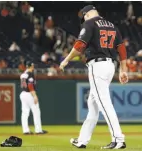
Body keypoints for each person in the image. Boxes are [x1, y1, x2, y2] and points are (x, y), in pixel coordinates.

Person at [60, 5, 128, 149]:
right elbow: (121, 48)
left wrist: (66, 59)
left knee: (104, 103)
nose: (83, 18)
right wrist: (123, 70)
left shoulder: (89, 23)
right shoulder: (112, 26)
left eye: (84, 16)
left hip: (98, 66)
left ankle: (118, 139)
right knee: (93, 105)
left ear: (88, 14)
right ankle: (82, 140)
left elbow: (80, 45)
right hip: (110, 66)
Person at [20, 61, 48, 135]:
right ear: (31, 66)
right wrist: (34, 95)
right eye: (32, 66)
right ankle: (38, 130)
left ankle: (25, 130)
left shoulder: (23, 74)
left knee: (25, 113)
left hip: (23, 94)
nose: (33, 67)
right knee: (36, 112)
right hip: (29, 94)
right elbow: (30, 85)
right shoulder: (30, 74)